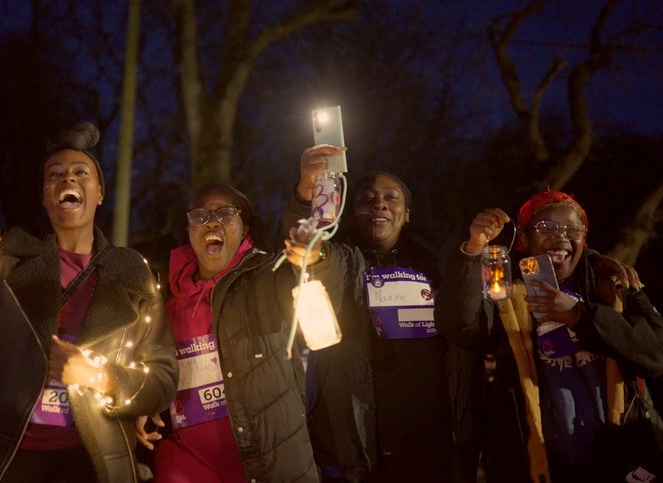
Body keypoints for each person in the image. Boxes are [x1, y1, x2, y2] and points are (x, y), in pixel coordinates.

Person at [0, 69, 178, 482]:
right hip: (5, 462)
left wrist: (99, 376)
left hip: (90, 462)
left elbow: (163, 379)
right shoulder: (7, 252)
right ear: (44, 196)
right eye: (55, 174)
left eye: (81, 172)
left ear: (100, 193)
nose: (68, 178)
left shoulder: (132, 271)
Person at [279, 145, 481, 483]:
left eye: (391, 197)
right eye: (367, 198)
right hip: (353, 451)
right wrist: (307, 224)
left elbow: (465, 323)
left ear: (407, 213)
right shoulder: (343, 257)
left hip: (429, 445)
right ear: (349, 210)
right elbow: (317, 253)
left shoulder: (434, 264)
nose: (380, 203)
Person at [434, 188, 663, 483]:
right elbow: (459, 325)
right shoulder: (510, 296)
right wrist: (472, 249)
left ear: (584, 239)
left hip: (619, 457)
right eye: (546, 227)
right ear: (525, 239)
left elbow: (657, 355)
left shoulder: (613, 286)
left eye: (572, 229)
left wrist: (579, 315)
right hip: (539, 462)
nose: (561, 236)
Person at [136, 184, 362, 482]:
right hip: (187, 460)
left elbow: (319, 282)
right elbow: (150, 364)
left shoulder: (268, 276)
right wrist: (145, 399)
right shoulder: (164, 298)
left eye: (226, 214)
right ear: (189, 229)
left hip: (267, 458)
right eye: (200, 216)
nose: (213, 222)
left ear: (245, 228)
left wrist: (315, 257)